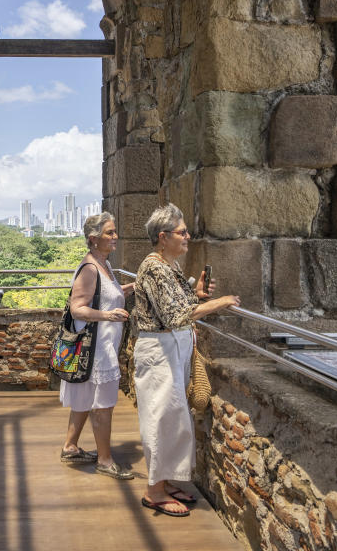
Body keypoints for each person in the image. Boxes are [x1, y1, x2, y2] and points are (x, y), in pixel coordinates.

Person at [132, 204, 240, 516]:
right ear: (163, 237)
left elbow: (182, 303)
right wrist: (219, 303)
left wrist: (201, 296)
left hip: (171, 349)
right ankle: (153, 490)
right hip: (159, 351)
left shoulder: (170, 266)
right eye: (182, 232)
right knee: (160, 418)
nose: (187, 236)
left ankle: (163, 482)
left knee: (174, 417)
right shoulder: (154, 268)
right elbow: (175, 314)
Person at [59, 212, 136, 480]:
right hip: (97, 349)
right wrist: (109, 315)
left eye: (115, 232)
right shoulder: (91, 268)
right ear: (93, 239)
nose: (115, 237)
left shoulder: (104, 265)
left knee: (83, 398)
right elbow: (77, 308)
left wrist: (131, 287)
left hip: (100, 346)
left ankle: (70, 447)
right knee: (103, 404)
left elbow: (105, 294)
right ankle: (104, 460)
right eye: (109, 233)